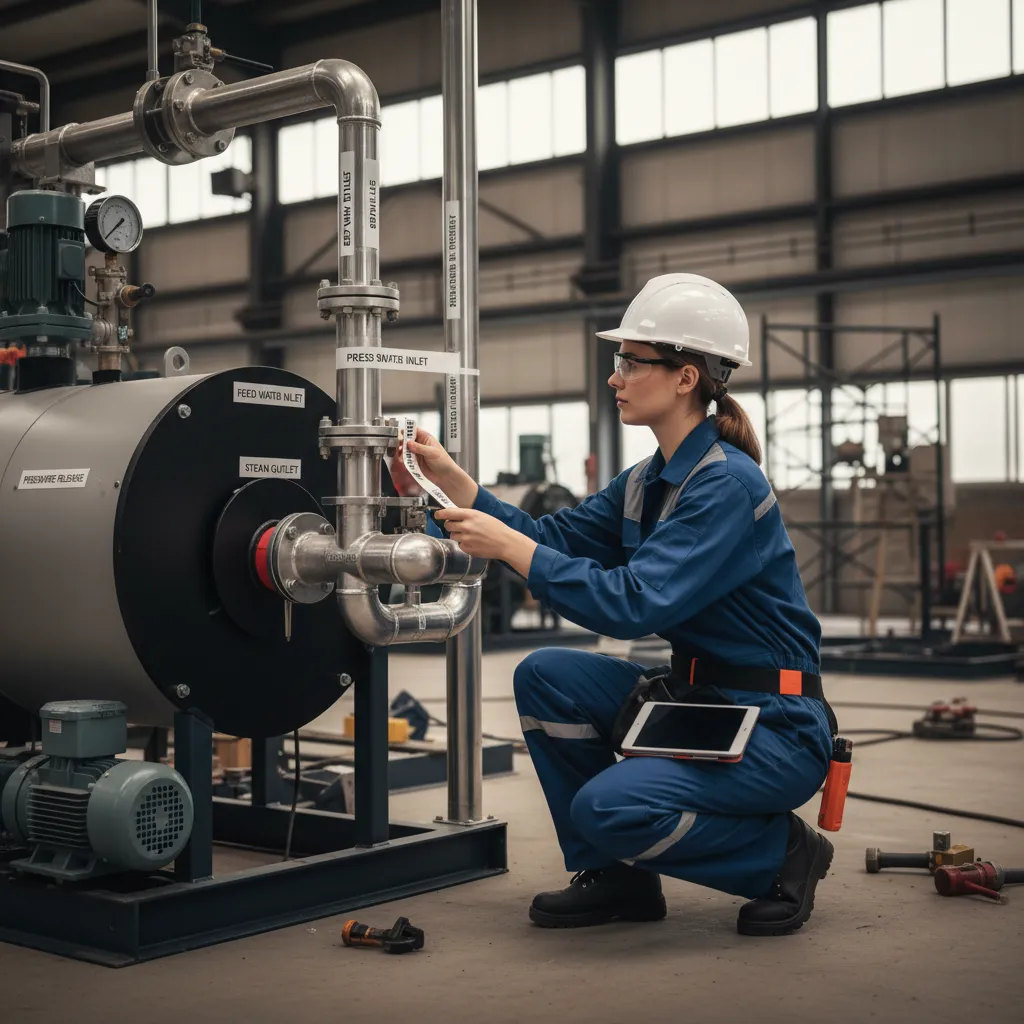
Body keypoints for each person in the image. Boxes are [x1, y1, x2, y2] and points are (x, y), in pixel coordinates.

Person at [390, 273, 835, 937]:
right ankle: (620, 880)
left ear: (686, 377)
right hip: (704, 703)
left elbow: (633, 604)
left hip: (775, 726)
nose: (614, 377)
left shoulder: (725, 487)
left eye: (631, 361)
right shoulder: (647, 482)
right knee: (547, 675)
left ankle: (782, 855)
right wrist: (453, 484)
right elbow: (550, 539)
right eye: (617, 361)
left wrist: (512, 545)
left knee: (608, 808)